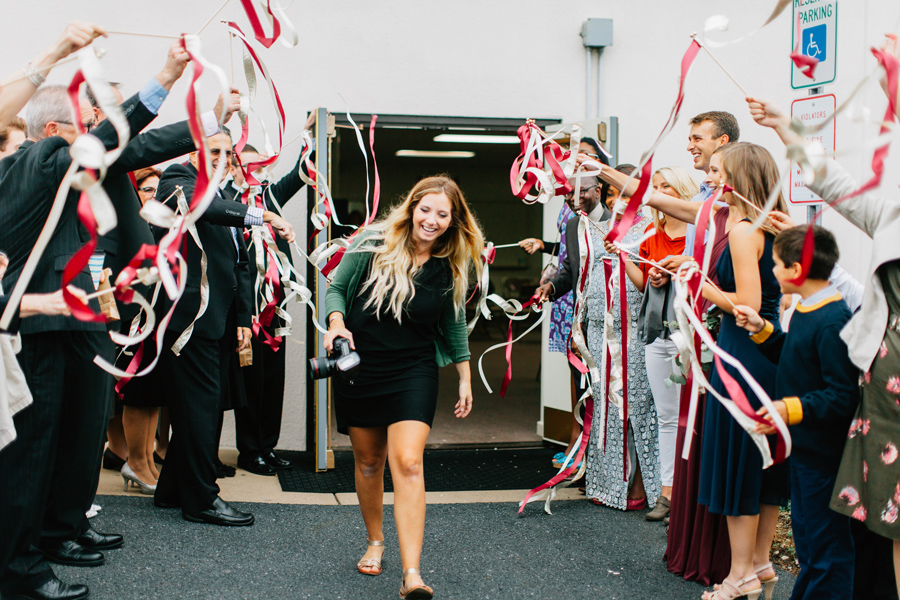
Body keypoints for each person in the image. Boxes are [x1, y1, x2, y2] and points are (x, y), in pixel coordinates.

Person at [0, 41, 189, 600]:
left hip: (70, 317)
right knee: (30, 453)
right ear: (60, 130)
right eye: (90, 123)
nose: (101, 132)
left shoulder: (51, 170)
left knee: (66, 441)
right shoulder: (35, 160)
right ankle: (19, 572)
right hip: (37, 326)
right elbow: (124, 141)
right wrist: (167, 76)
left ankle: (54, 535)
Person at [748, 38, 900, 594]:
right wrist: (787, 132)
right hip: (883, 394)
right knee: (885, 527)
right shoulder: (890, 215)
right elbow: (835, 184)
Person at [323, 175, 483, 599]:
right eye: (425, 209)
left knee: (409, 463)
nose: (431, 220)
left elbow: (452, 320)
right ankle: (375, 541)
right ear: (412, 207)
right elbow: (337, 289)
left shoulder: (452, 263)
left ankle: (412, 573)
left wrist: (465, 375)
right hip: (360, 365)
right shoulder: (373, 243)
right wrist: (336, 323)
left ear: (453, 221)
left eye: (442, 214)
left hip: (413, 369)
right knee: (370, 462)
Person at [147, 126, 294, 525]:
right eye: (214, 149)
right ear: (195, 148)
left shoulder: (224, 194)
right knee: (201, 411)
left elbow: (240, 264)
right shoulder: (178, 180)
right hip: (187, 322)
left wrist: (244, 317)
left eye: (228, 152)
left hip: (221, 322)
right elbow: (202, 208)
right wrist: (261, 214)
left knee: (206, 409)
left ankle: (172, 490)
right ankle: (202, 500)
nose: (222, 157)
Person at [734, 225, 858, 600]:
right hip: (804, 452)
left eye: (775, 264)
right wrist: (763, 331)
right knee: (809, 543)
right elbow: (796, 357)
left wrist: (789, 408)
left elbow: (842, 395)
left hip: (825, 457)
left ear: (795, 270)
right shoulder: (807, 309)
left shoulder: (833, 320)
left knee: (827, 550)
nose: (771, 271)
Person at [519, 136, 609, 470]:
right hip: (580, 316)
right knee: (581, 379)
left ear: (599, 188)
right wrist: (551, 290)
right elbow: (570, 268)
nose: (574, 198)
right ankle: (583, 449)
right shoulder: (572, 222)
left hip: (613, 323)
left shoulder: (615, 223)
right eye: (569, 192)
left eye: (582, 191)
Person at [614, 166, 698, 522]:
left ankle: (691, 492)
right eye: (656, 186)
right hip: (657, 333)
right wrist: (625, 257)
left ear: (683, 193)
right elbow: (642, 284)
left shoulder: (698, 233)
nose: (659, 193)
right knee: (667, 416)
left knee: (692, 416)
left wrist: (677, 272)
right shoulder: (652, 232)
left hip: (690, 332)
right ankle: (667, 492)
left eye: (667, 187)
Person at [225, 139, 311, 477]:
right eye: (248, 167)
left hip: (276, 306)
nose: (256, 174)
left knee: (274, 378)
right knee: (251, 378)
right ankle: (249, 450)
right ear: (233, 168)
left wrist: (312, 137)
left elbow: (304, 172)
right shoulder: (227, 202)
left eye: (261, 167)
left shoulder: (271, 197)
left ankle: (267, 446)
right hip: (246, 308)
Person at [583, 164, 661, 512]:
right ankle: (608, 482)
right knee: (605, 405)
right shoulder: (599, 225)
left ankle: (644, 482)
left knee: (637, 404)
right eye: (615, 194)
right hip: (599, 328)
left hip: (634, 327)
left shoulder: (649, 228)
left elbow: (646, 279)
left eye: (626, 194)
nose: (619, 200)